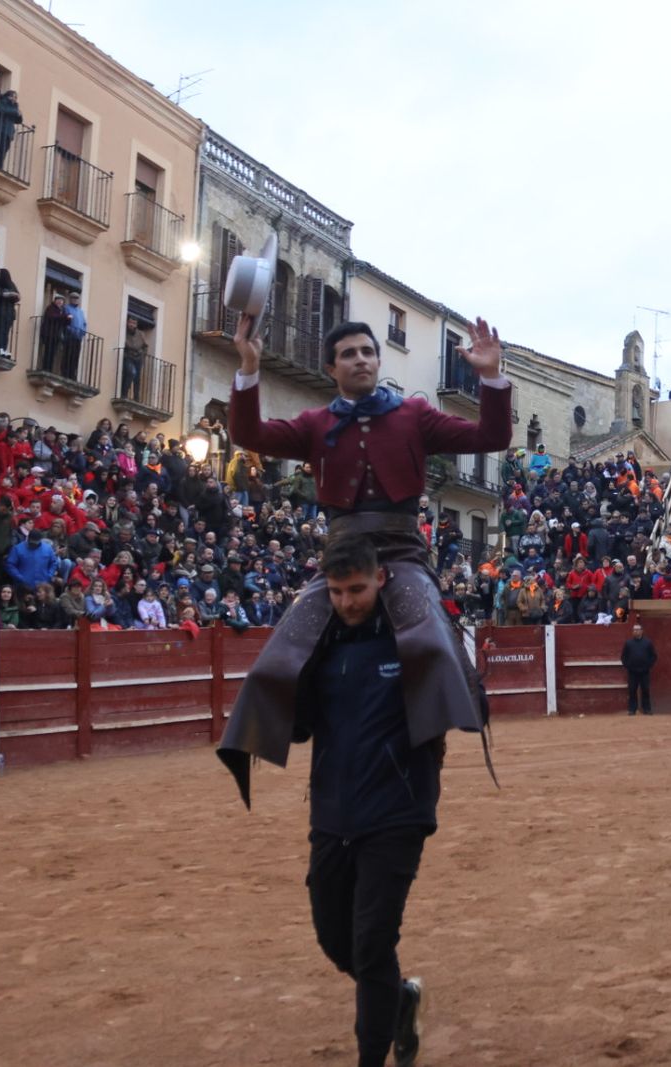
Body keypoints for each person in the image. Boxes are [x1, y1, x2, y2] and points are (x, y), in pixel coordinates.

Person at [217, 312, 513, 806]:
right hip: (341, 556)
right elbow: (251, 435)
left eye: (367, 352)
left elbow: (492, 438)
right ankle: (289, 729)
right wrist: (248, 366)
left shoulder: (414, 415)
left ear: (377, 360)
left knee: (434, 641)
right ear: (332, 368)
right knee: (282, 650)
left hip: (402, 553)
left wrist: (490, 376)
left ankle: (445, 725)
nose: (360, 359)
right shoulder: (316, 422)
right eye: (349, 354)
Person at [295, 535, 438, 1067]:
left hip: (398, 811)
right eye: (335, 592)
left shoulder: (414, 637)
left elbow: (463, 697)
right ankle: (398, 998)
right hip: (333, 813)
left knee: (372, 944)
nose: (347, 602)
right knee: (337, 941)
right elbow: (298, 729)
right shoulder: (321, 644)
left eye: (356, 588)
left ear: (380, 579)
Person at [620, 622, 657, 715]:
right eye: (634, 630)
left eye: (637, 629)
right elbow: (623, 657)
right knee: (632, 690)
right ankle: (632, 709)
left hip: (644, 671)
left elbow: (653, 656)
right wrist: (628, 666)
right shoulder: (628, 643)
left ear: (641, 631)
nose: (635, 631)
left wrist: (648, 666)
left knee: (645, 690)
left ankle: (647, 709)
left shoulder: (648, 643)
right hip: (632, 671)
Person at [0, 267, 20, 357]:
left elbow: (17, 296)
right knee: (0, 330)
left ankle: (4, 348)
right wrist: (9, 294)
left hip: (9, 312)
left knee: (6, 332)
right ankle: (0, 348)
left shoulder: (11, 284)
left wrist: (10, 295)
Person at [121, 316, 149, 402]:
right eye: (130, 322)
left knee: (137, 379)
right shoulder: (124, 333)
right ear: (127, 323)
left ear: (136, 325)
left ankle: (136, 397)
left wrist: (143, 355)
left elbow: (145, 346)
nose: (132, 325)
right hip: (128, 356)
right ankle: (124, 393)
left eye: (134, 323)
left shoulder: (141, 334)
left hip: (138, 358)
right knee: (131, 373)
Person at [64, 292, 88, 379]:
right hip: (69, 336)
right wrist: (70, 330)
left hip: (78, 337)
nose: (75, 300)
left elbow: (84, 323)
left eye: (77, 298)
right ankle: (66, 373)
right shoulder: (66, 308)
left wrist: (83, 332)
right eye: (73, 298)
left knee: (75, 356)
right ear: (70, 299)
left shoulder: (80, 312)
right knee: (68, 355)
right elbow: (65, 320)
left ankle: (72, 374)